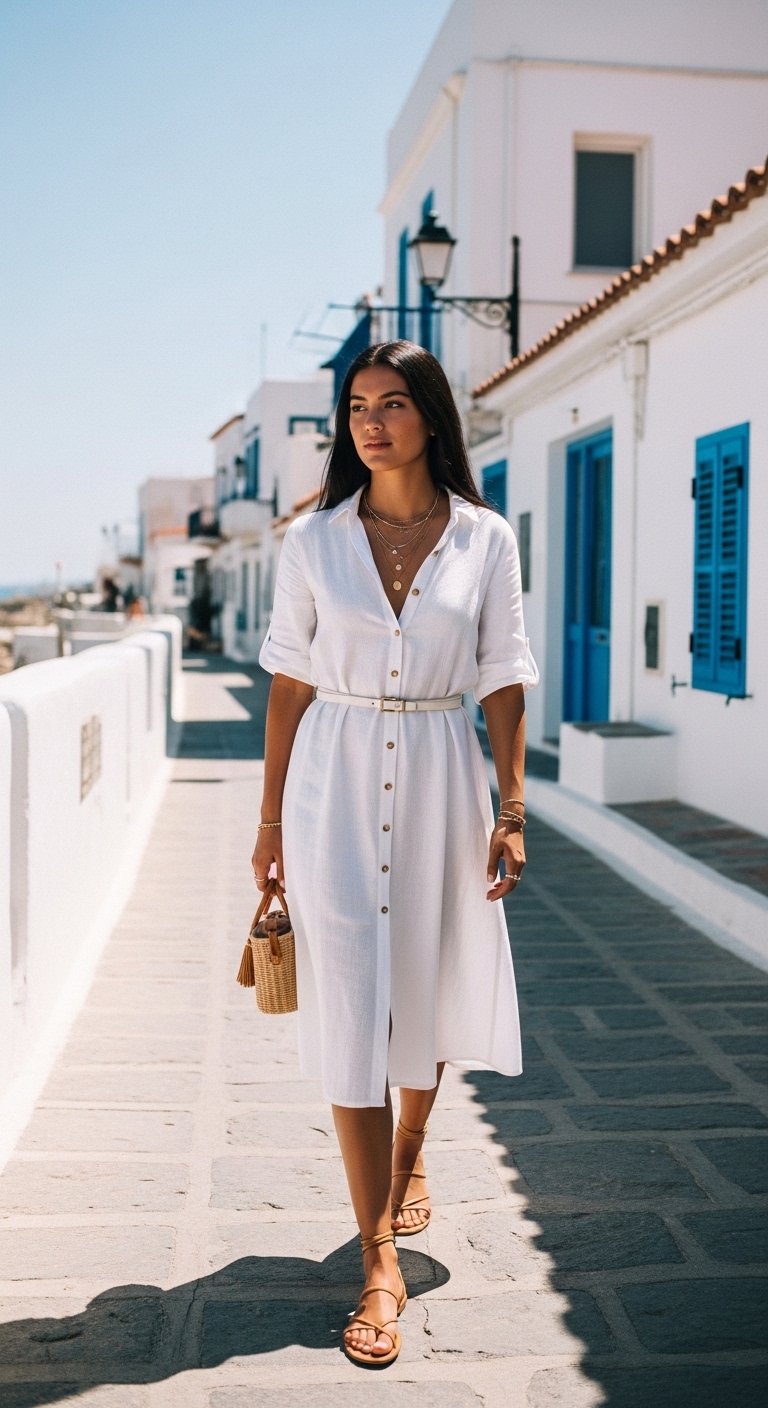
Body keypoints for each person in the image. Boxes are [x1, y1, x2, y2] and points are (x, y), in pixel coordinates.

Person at [253, 341, 538, 1368]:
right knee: (350, 1002)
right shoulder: (313, 542)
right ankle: (379, 1256)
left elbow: (504, 675)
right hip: (330, 783)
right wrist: (271, 821)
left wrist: (511, 804)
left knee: (423, 981)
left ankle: (411, 1153)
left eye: (392, 404)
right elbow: (288, 683)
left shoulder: (485, 539)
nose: (370, 423)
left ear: (432, 417)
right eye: (355, 406)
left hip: (440, 775)